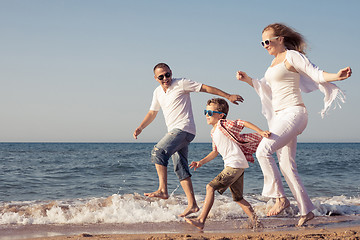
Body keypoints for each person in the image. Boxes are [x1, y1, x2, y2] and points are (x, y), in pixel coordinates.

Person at [236, 23, 352, 226]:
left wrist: (336, 76)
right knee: (287, 166)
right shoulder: (272, 64)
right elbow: (266, 87)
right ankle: (306, 210)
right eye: (261, 42)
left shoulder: (292, 56)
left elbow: (314, 72)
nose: (265, 45)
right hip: (280, 117)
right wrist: (248, 80)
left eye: (268, 41)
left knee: (263, 150)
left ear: (280, 39)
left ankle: (280, 198)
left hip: (294, 113)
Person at [133, 63, 244, 217]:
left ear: (171, 73)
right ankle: (192, 205)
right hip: (175, 132)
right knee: (180, 167)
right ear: (155, 78)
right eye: (161, 76)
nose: (165, 78)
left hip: (184, 129)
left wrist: (228, 96)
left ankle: (163, 189)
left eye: (167, 74)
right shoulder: (157, 92)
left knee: (158, 151)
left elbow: (205, 88)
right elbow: (152, 113)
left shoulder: (181, 83)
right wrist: (141, 127)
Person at [185, 98, 271, 230]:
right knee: (238, 198)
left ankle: (201, 220)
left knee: (210, 188)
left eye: (210, 112)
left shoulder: (222, 124)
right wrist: (200, 162)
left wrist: (260, 132)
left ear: (220, 115)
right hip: (237, 165)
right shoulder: (213, 132)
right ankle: (256, 222)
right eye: (205, 112)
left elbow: (242, 122)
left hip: (234, 165)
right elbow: (215, 152)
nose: (207, 115)